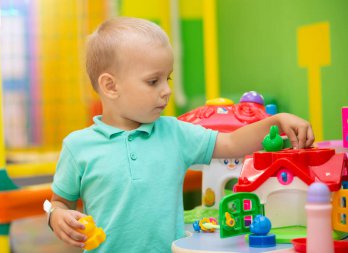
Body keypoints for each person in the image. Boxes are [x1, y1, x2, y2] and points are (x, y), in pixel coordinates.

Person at [48, 16, 314, 253]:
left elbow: (232, 142)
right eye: (153, 81)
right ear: (110, 86)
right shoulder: (78, 147)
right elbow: (60, 202)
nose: (166, 90)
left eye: (168, 79)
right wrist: (56, 216)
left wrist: (276, 122)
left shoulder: (175, 133)